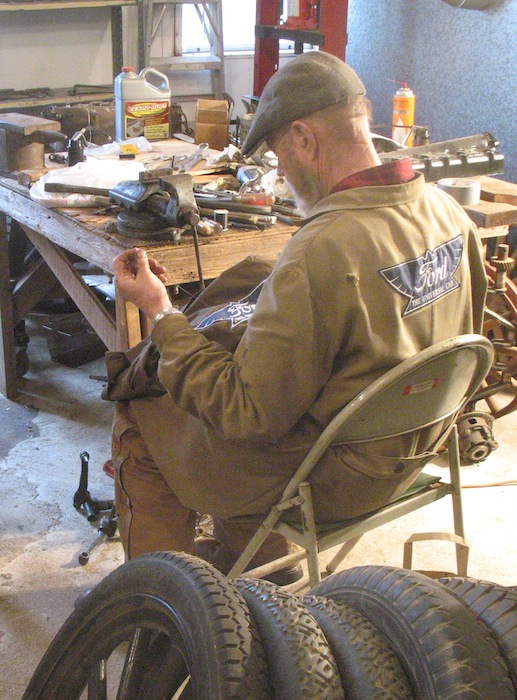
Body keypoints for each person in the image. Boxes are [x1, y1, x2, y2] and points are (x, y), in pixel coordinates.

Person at [110, 51, 487, 583]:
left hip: (333, 478)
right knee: (239, 347)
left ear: (305, 139)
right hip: (411, 451)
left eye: (280, 154)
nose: (280, 172)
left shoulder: (319, 251)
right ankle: (262, 569)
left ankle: (162, 606)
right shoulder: (449, 213)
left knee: (142, 413)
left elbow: (246, 415)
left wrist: (161, 311)